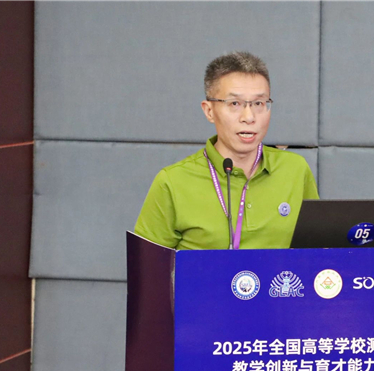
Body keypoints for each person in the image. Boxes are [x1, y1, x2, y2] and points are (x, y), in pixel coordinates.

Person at [135, 51, 319, 250]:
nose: (249, 117)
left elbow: (318, 254)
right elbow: (147, 267)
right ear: (209, 111)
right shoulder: (172, 182)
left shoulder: (295, 169)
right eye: (235, 104)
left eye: (258, 103)